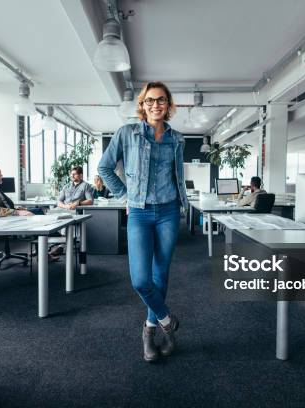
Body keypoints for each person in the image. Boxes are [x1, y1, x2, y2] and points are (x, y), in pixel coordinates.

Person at [98, 81, 188, 363]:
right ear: (143, 104)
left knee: (160, 275)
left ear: (168, 104)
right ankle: (166, 320)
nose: (155, 105)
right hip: (139, 212)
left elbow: (178, 177)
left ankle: (150, 332)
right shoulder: (127, 133)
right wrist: (125, 194)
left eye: (161, 100)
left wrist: (183, 204)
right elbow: (104, 167)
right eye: (150, 100)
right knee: (140, 279)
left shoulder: (178, 139)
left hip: (169, 212)